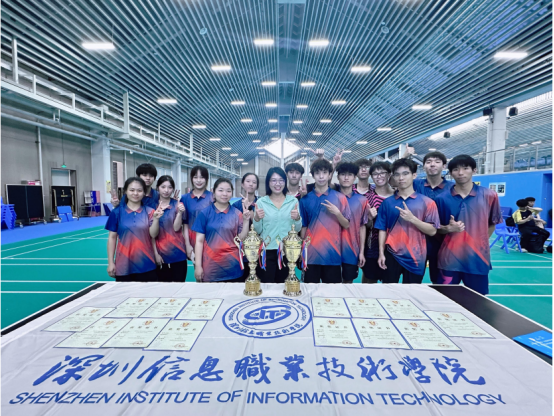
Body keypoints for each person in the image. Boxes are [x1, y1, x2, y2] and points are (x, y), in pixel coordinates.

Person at [435, 155, 503, 295]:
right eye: (455, 169)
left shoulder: (490, 195)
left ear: (474, 170)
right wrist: (448, 228)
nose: (460, 173)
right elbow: (435, 228)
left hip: (478, 259)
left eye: (465, 168)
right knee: (444, 299)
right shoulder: (441, 198)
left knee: (478, 301)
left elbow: (492, 224)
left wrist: (479, 242)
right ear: (451, 173)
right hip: (449, 260)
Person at [375, 158, 440, 284]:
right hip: (391, 254)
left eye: (405, 174)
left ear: (414, 175)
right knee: (389, 290)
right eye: (397, 174)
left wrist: (413, 219)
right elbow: (382, 229)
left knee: (411, 292)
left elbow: (432, 231)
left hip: (416, 256)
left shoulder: (427, 202)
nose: (401, 178)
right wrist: (381, 253)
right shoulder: (387, 203)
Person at [299, 159, 352, 283]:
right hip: (311, 255)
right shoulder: (305, 200)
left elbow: (346, 224)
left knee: (332, 292)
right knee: (310, 291)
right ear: (313, 176)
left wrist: (337, 213)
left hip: (332, 255)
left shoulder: (340, 197)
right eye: (317, 173)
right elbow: (303, 227)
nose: (321, 176)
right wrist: (302, 250)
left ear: (329, 175)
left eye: (324, 172)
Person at [106, 177, 164, 282]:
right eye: (132, 190)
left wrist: (156, 219)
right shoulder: (117, 212)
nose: (135, 193)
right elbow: (112, 238)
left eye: (139, 190)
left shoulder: (150, 212)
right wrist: (111, 262)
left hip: (146, 264)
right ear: (125, 191)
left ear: (144, 192)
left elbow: (153, 235)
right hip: (123, 265)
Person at [192, 178, 250, 282]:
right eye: (221, 190)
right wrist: (198, 266)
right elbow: (199, 241)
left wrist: (246, 221)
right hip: (211, 268)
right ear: (213, 192)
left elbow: (241, 239)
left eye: (228, 191)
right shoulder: (204, 213)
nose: (225, 194)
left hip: (233, 267)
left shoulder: (237, 214)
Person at [253, 167, 303, 283]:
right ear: (268, 182)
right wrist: (256, 219)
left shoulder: (293, 201)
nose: (277, 184)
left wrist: (297, 218)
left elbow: (297, 229)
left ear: (285, 182)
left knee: (284, 285)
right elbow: (258, 230)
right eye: (273, 180)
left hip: (287, 251)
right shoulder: (261, 202)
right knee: (267, 285)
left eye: (281, 180)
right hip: (267, 250)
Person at [413, 151, 454, 283]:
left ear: (444, 166)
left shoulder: (452, 188)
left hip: (443, 244)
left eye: (437, 162)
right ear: (423, 166)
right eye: (429, 162)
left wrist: (448, 227)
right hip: (417, 243)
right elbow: (393, 180)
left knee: (440, 283)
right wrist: (405, 157)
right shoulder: (414, 184)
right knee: (413, 282)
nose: (432, 165)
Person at [362, 161, 395, 284]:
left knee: (390, 282)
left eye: (382, 173)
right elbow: (363, 226)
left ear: (389, 174)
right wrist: (369, 219)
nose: (379, 176)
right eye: (375, 174)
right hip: (373, 246)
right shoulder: (366, 198)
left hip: (394, 246)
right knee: (370, 280)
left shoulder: (397, 196)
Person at [336, 162, 368, 283]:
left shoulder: (362, 200)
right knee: (330, 285)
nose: (346, 178)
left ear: (355, 177)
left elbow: (362, 227)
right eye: (343, 174)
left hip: (351, 251)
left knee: (348, 284)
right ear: (338, 177)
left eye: (350, 175)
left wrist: (361, 252)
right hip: (331, 251)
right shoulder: (330, 197)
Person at [152, 175, 188, 282]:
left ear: (173, 189)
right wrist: (155, 254)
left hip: (178, 253)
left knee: (179, 286)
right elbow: (151, 235)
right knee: (163, 288)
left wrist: (180, 213)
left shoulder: (177, 204)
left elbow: (176, 228)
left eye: (170, 187)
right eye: (163, 187)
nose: (166, 190)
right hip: (161, 255)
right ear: (158, 187)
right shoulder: (152, 206)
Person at [180, 166, 213, 263]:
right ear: (191, 179)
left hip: (211, 241)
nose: (198, 180)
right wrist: (187, 244)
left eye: (202, 177)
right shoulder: (185, 198)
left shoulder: (213, 197)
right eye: (195, 177)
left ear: (206, 179)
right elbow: (185, 224)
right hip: (193, 242)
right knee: (198, 269)